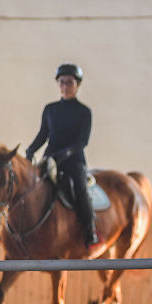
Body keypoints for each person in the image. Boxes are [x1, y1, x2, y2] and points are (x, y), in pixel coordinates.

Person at [25, 63, 98, 247]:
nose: (65, 86)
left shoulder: (84, 112)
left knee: (80, 188)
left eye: (70, 82)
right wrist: (31, 149)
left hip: (73, 159)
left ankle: (90, 227)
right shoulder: (50, 109)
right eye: (62, 82)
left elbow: (82, 141)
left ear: (77, 85)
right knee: (31, 185)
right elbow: (43, 135)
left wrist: (65, 153)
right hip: (50, 158)